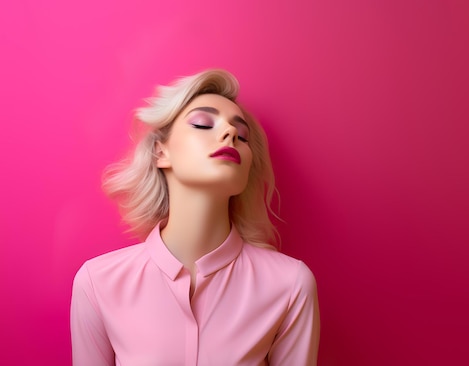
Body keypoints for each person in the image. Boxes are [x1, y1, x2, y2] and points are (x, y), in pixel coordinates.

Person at [71, 69, 320, 365]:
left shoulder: (290, 285)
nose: (229, 134)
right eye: (203, 124)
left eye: (241, 136)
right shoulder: (98, 283)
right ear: (161, 153)